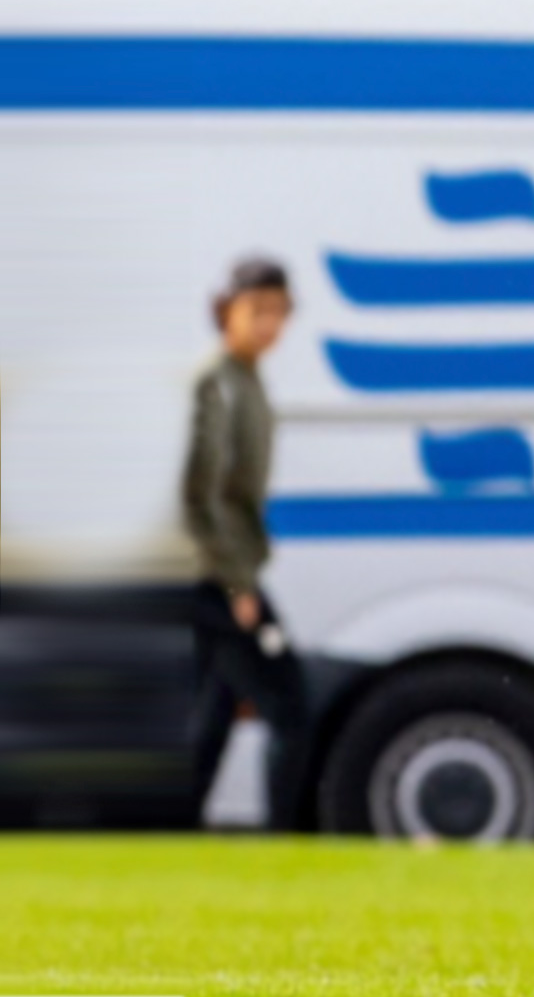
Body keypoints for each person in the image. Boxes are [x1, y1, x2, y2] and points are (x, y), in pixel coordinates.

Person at [183, 255, 310, 832]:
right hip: (216, 578)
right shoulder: (216, 382)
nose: (269, 324)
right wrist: (238, 585)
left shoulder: (248, 378)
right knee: (290, 704)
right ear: (226, 310)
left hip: (227, 574)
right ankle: (284, 835)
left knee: (212, 712)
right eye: (257, 310)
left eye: (279, 312)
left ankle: (172, 832)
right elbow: (199, 493)